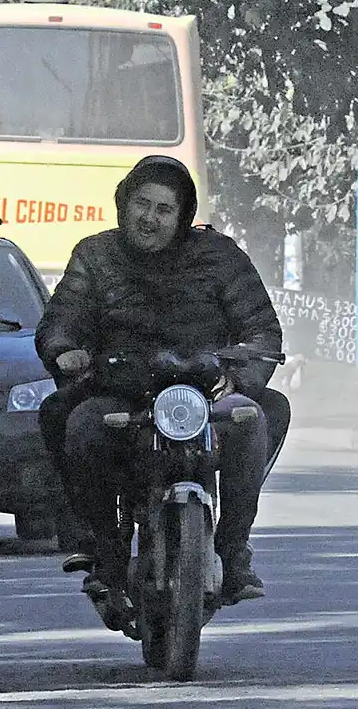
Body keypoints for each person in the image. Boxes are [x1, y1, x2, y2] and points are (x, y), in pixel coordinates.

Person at [35, 155, 291, 611]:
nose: (149, 218)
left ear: (182, 216)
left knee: (259, 415)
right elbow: (62, 320)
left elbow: (262, 331)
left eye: (163, 209)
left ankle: (234, 553)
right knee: (72, 420)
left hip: (205, 394)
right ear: (123, 204)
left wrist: (241, 380)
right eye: (141, 203)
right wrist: (64, 350)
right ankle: (105, 551)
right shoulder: (94, 256)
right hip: (121, 390)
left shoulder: (221, 256)